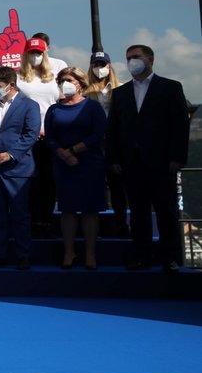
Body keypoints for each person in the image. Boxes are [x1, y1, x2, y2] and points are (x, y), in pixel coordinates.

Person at [106, 44, 189, 273]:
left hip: (162, 162)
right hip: (132, 162)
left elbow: (180, 125)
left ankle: (170, 258)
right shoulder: (121, 92)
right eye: (129, 58)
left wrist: (177, 157)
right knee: (139, 213)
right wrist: (114, 158)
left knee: (166, 211)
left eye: (137, 57)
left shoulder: (170, 88)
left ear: (150, 59)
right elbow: (113, 128)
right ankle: (140, 256)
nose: (132, 61)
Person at [0, 67, 41, 270]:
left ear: (11, 85)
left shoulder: (29, 105)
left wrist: (10, 154)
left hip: (18, 169)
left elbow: (30, 135)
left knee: (20, 214)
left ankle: (23, 256)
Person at [45, 67, 107, 269]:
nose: (65, 83)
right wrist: (62, 153)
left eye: (69, 79)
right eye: (62, 80)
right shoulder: (54, 109)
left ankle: (90, 254)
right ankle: (69, 252)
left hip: (89, 163)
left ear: (80, 83)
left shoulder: (93, 107)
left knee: (90, 210)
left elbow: (98, 133)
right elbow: (50, 137)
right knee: (67, 209)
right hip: (63, 164)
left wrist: (74, 150)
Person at [17, 36, 60, 237]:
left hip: (52, 134)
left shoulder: (55, 73)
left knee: (49, 179)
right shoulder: (18, 76)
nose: (35, 56)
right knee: (31, 180)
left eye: (39, 52)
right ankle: (34, 220)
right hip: (28, 136)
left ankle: (47, 219)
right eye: (32, 52)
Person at [86, 50, 128, 236]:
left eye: (102, 64)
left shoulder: (121, 90)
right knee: (94, 187)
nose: (99, 68)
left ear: (109, 66)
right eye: (95, 65)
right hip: (93, 144)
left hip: (115, 144)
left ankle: (121, 224)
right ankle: (96, 227)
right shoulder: (86, 92)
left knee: (118, 186)